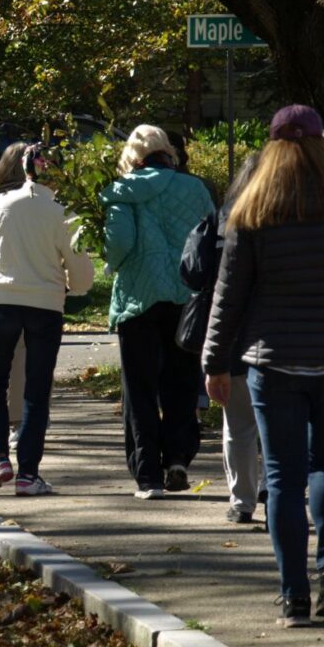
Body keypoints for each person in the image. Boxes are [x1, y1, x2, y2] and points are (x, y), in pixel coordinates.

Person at [203, 105, 324, 628]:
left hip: (273, 361)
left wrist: (215, 362)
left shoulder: (253, 210)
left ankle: (293, 596)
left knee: (284, 477)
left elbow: (229, 294)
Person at [0, 142, 94, 495]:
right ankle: (29, 473)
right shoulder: (63, 213)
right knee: (37, 390)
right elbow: (82, 277)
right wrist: (67, 282)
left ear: (25, 169)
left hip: (1, 301)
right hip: (46, 305)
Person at [101, 124, 214, 499]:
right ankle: (179, 458)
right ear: (168, 151)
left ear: (133, 156)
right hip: (185, 297)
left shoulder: (122, 191)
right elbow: (210, 237)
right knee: (181, 382)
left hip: (139, 296)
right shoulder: (195, 187)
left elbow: (119, 244)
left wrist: (110, 264)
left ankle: (148, 474)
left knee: (140, 387)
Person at [181, 153, 264, 525]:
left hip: (229, 332)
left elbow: (192, 272)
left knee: (238, 422)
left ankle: (242, 499)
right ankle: (270, 487)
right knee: (275, 421)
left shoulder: (220, 219)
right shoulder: (281, 217)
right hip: (272, 332)